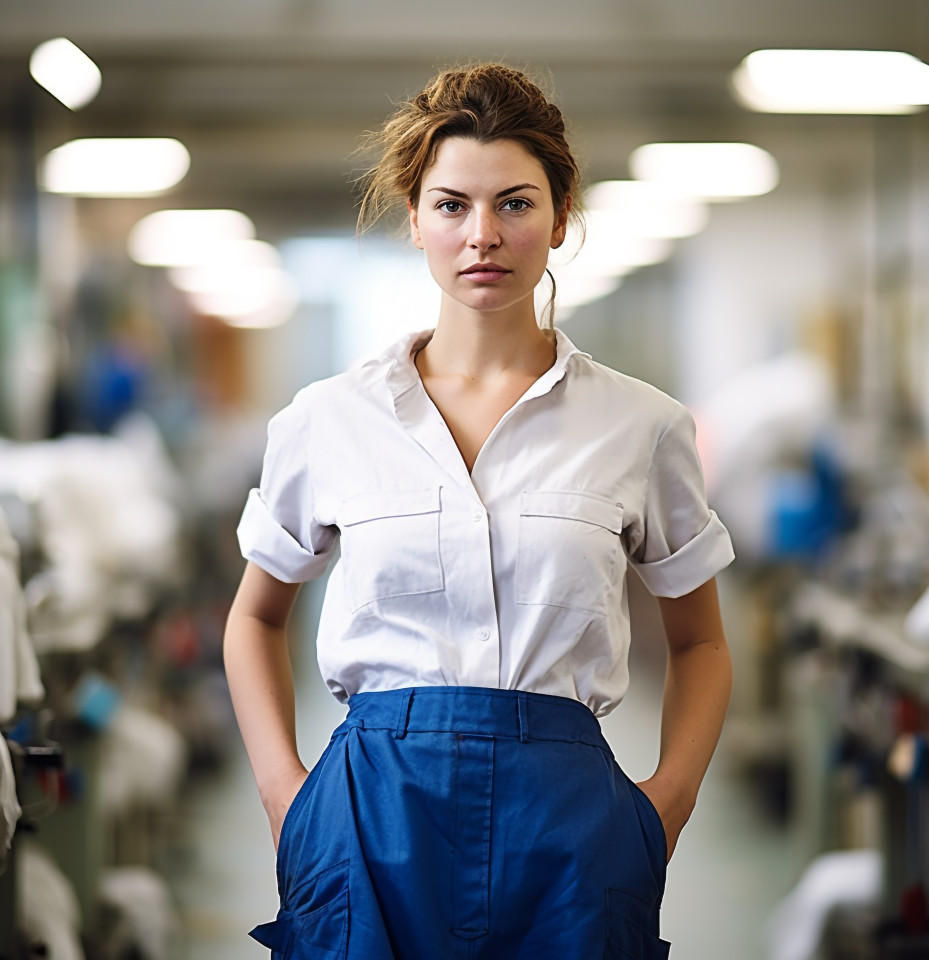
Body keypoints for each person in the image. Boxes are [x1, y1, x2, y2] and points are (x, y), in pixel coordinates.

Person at [223, 62, 734, 960]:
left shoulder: (642, 426)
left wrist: (667, 807)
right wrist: (284, 794)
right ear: (413, 220)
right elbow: (255, 617)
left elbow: (699, 640)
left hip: (572, 828)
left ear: (560, 218)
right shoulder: (327, 420)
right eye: (452, 205)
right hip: (369, 818)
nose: (483, 236)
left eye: (515, 203)